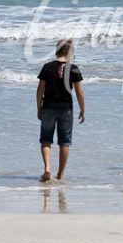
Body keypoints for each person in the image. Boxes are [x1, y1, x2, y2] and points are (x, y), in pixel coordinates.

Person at [36, 39, 85, 182]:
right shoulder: (73, 68)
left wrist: (38, 107)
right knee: (65, 141)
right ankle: (60, 174)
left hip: (48, 107)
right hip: (66, 109)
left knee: (46, 139)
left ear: (57, 50)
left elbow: (40, 89)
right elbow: (79, 92)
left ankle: (47, 168)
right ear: (70, 52)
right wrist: (83, 110)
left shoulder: (47, 67)